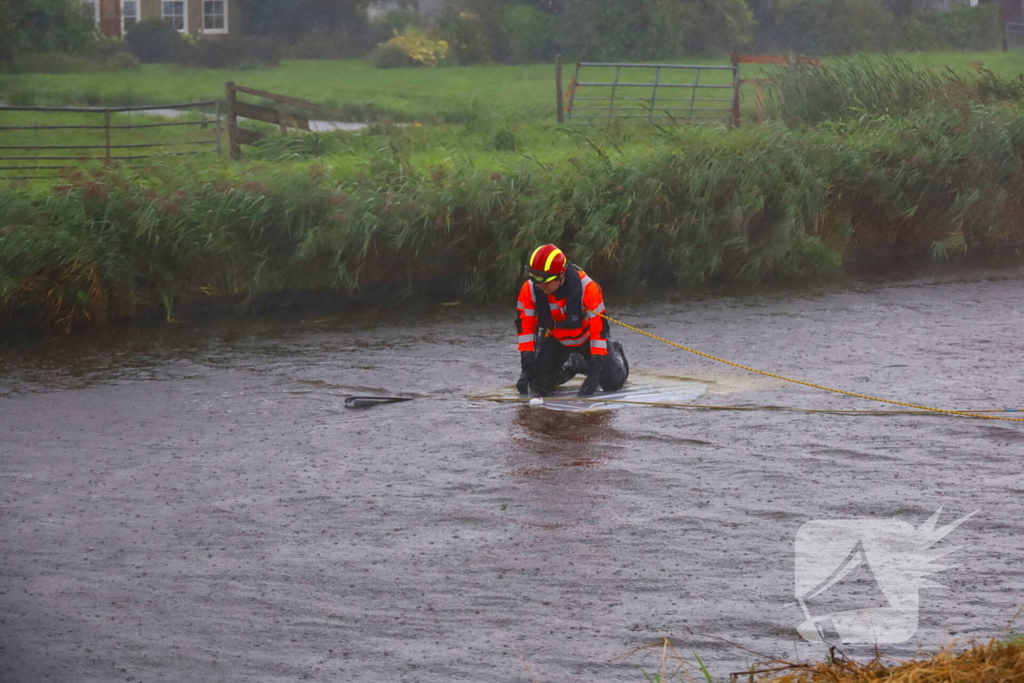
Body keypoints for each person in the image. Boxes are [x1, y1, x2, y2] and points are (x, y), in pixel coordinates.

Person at [515, 244, 629, 397]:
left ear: (561, 275)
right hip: (556, 338)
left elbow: (598, 330)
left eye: (546, 281)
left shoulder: (588, 288)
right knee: (539, 385)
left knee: (612, 383)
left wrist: (595, 372)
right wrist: (526, 368)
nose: (541, 286)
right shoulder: (530, 289)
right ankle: (574, 363)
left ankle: (616, 353)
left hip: (587, 338)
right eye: (536, 279)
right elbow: (525, 328)